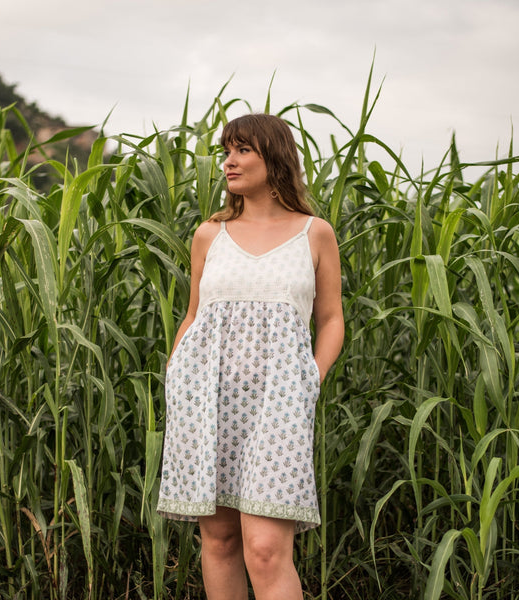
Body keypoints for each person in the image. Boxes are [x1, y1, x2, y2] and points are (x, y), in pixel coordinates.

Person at [157, 113, 344, 599]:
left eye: (242, 150)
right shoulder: (209, 235)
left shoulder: (314, 233)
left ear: (274, 156)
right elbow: (193, 315)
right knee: (219, 541)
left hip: (279, 404)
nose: (227, 162)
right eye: (226, 151)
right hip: (204, 400)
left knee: (264, 547)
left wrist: (310, 381)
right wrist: (176, 381)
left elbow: (330, 319)